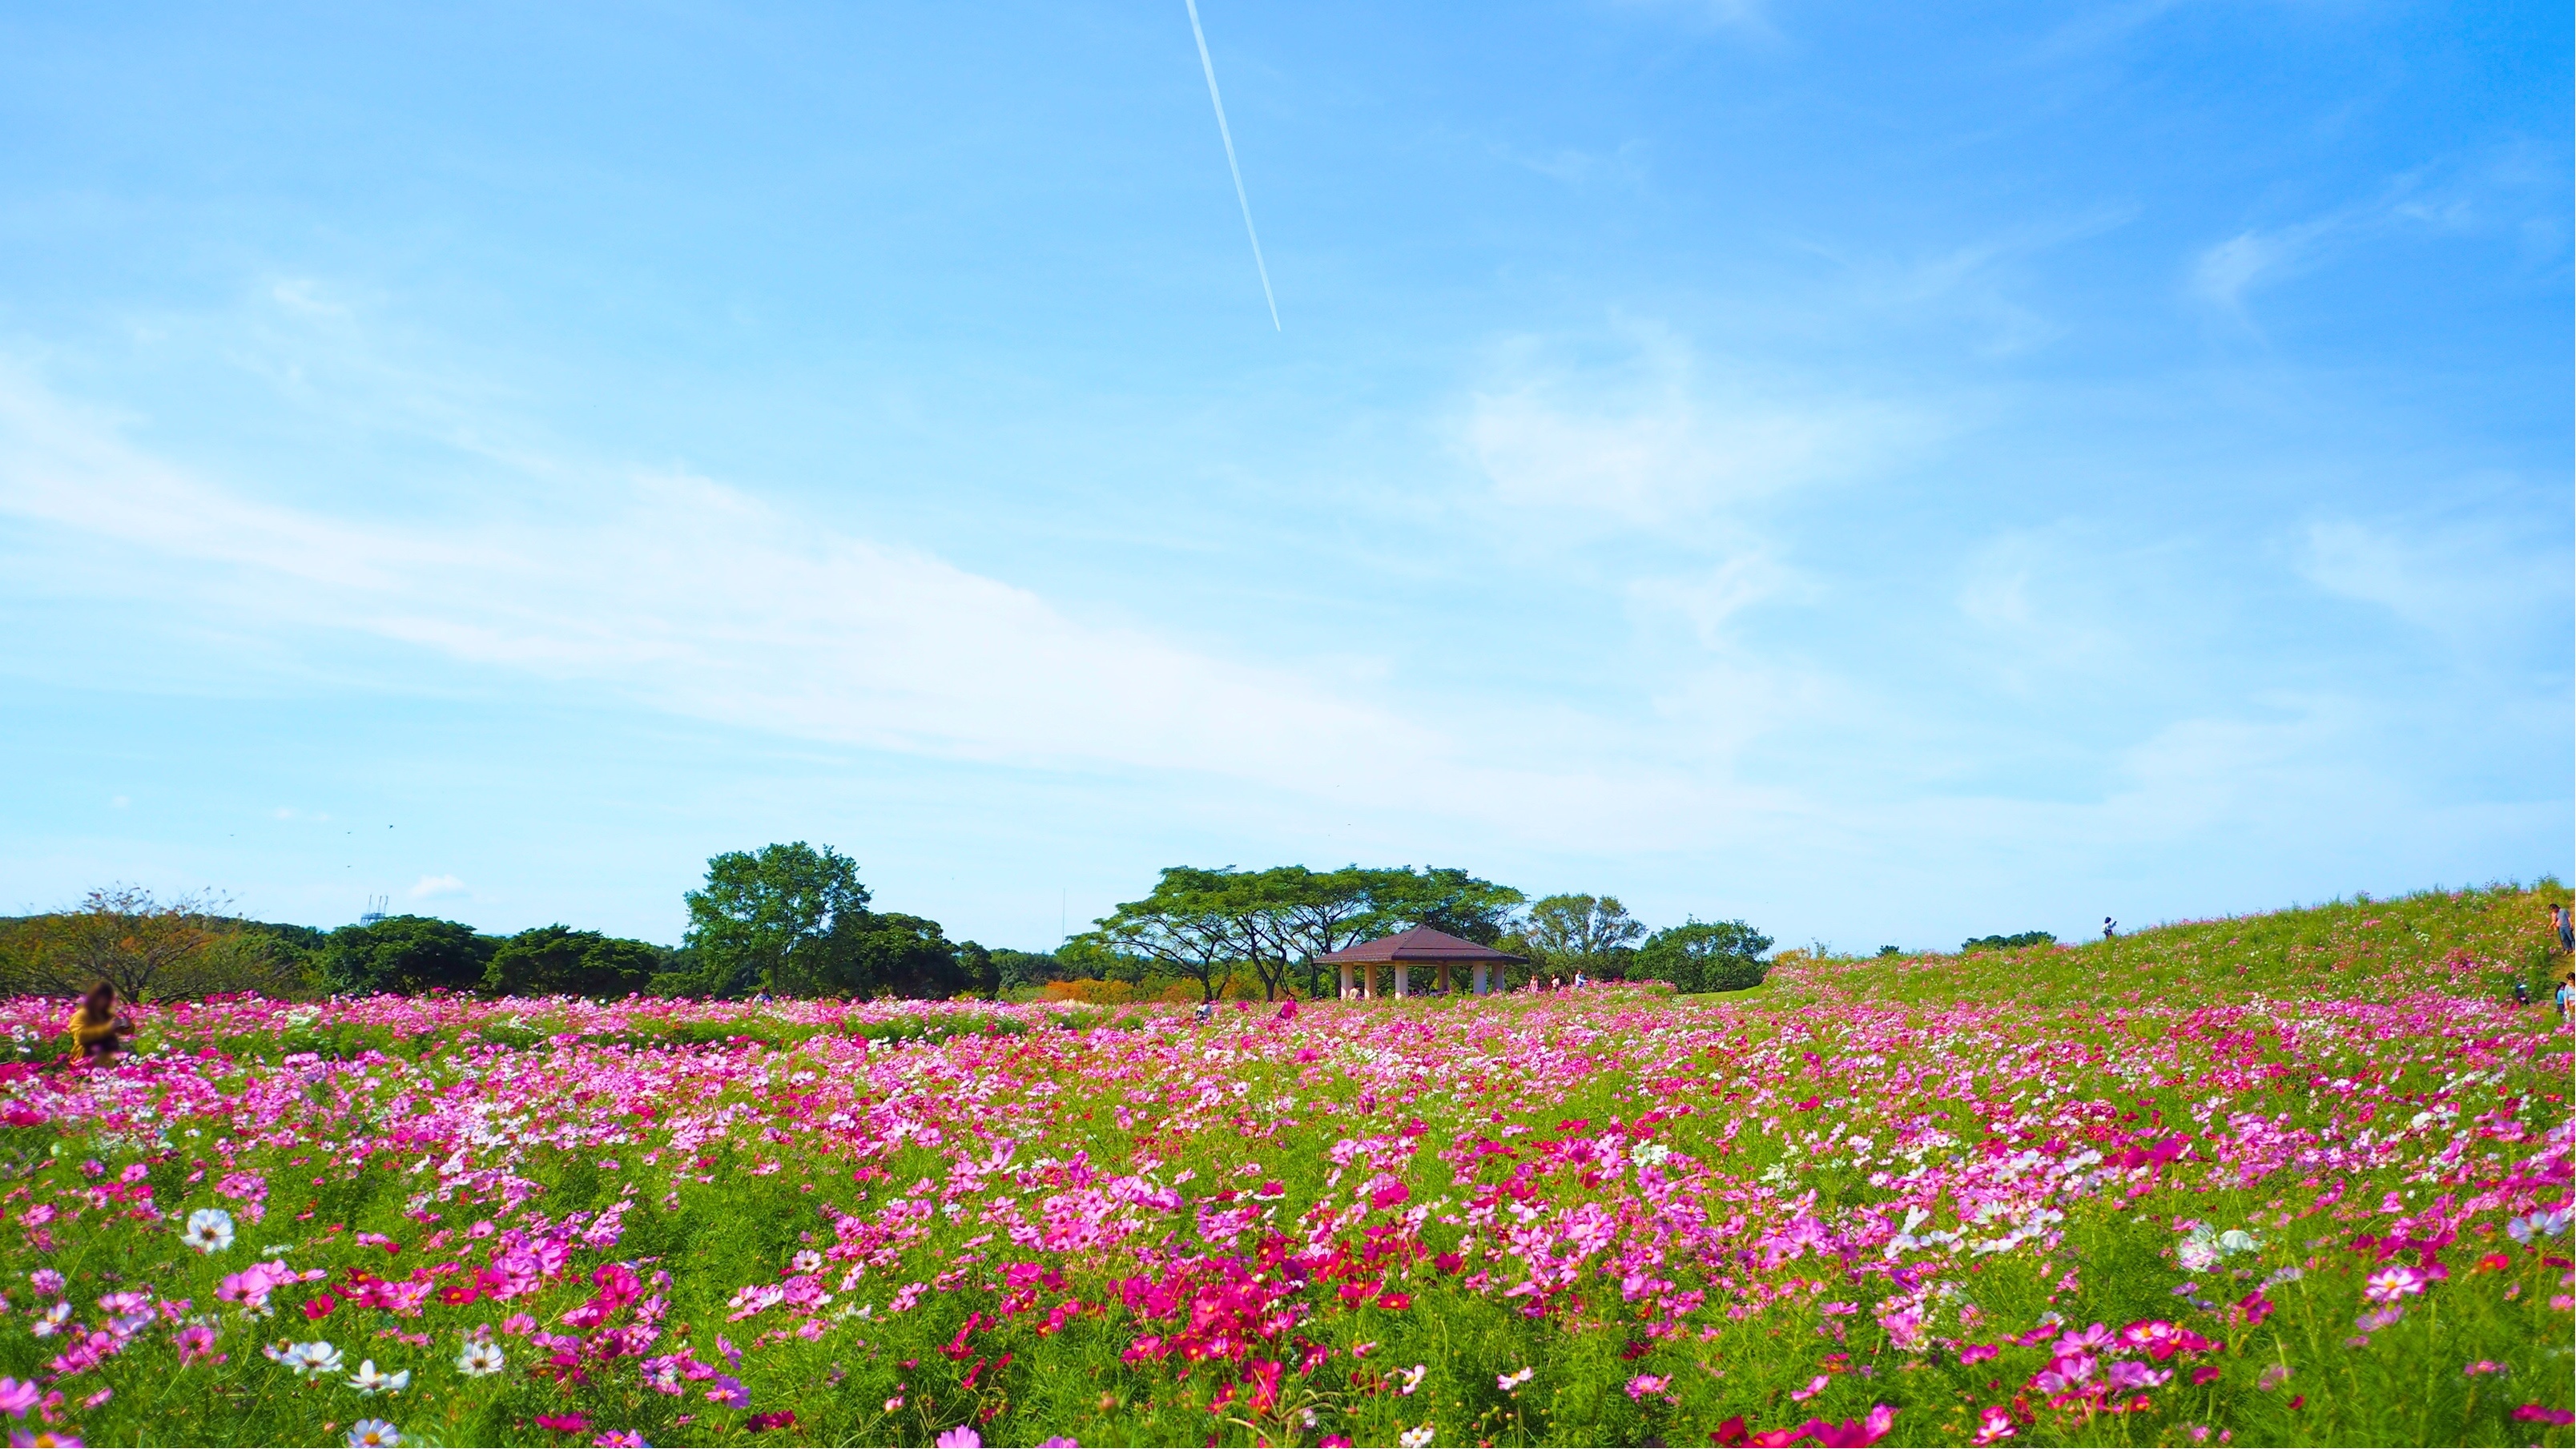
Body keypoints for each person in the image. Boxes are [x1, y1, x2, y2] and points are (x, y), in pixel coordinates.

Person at [65, 983, 131, 1063]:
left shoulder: (108, 1014)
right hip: (85, 1061)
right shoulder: (81, 1015)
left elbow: (125, 1032)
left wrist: (127, 1026)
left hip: (107, 1061)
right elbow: (80, 1036)